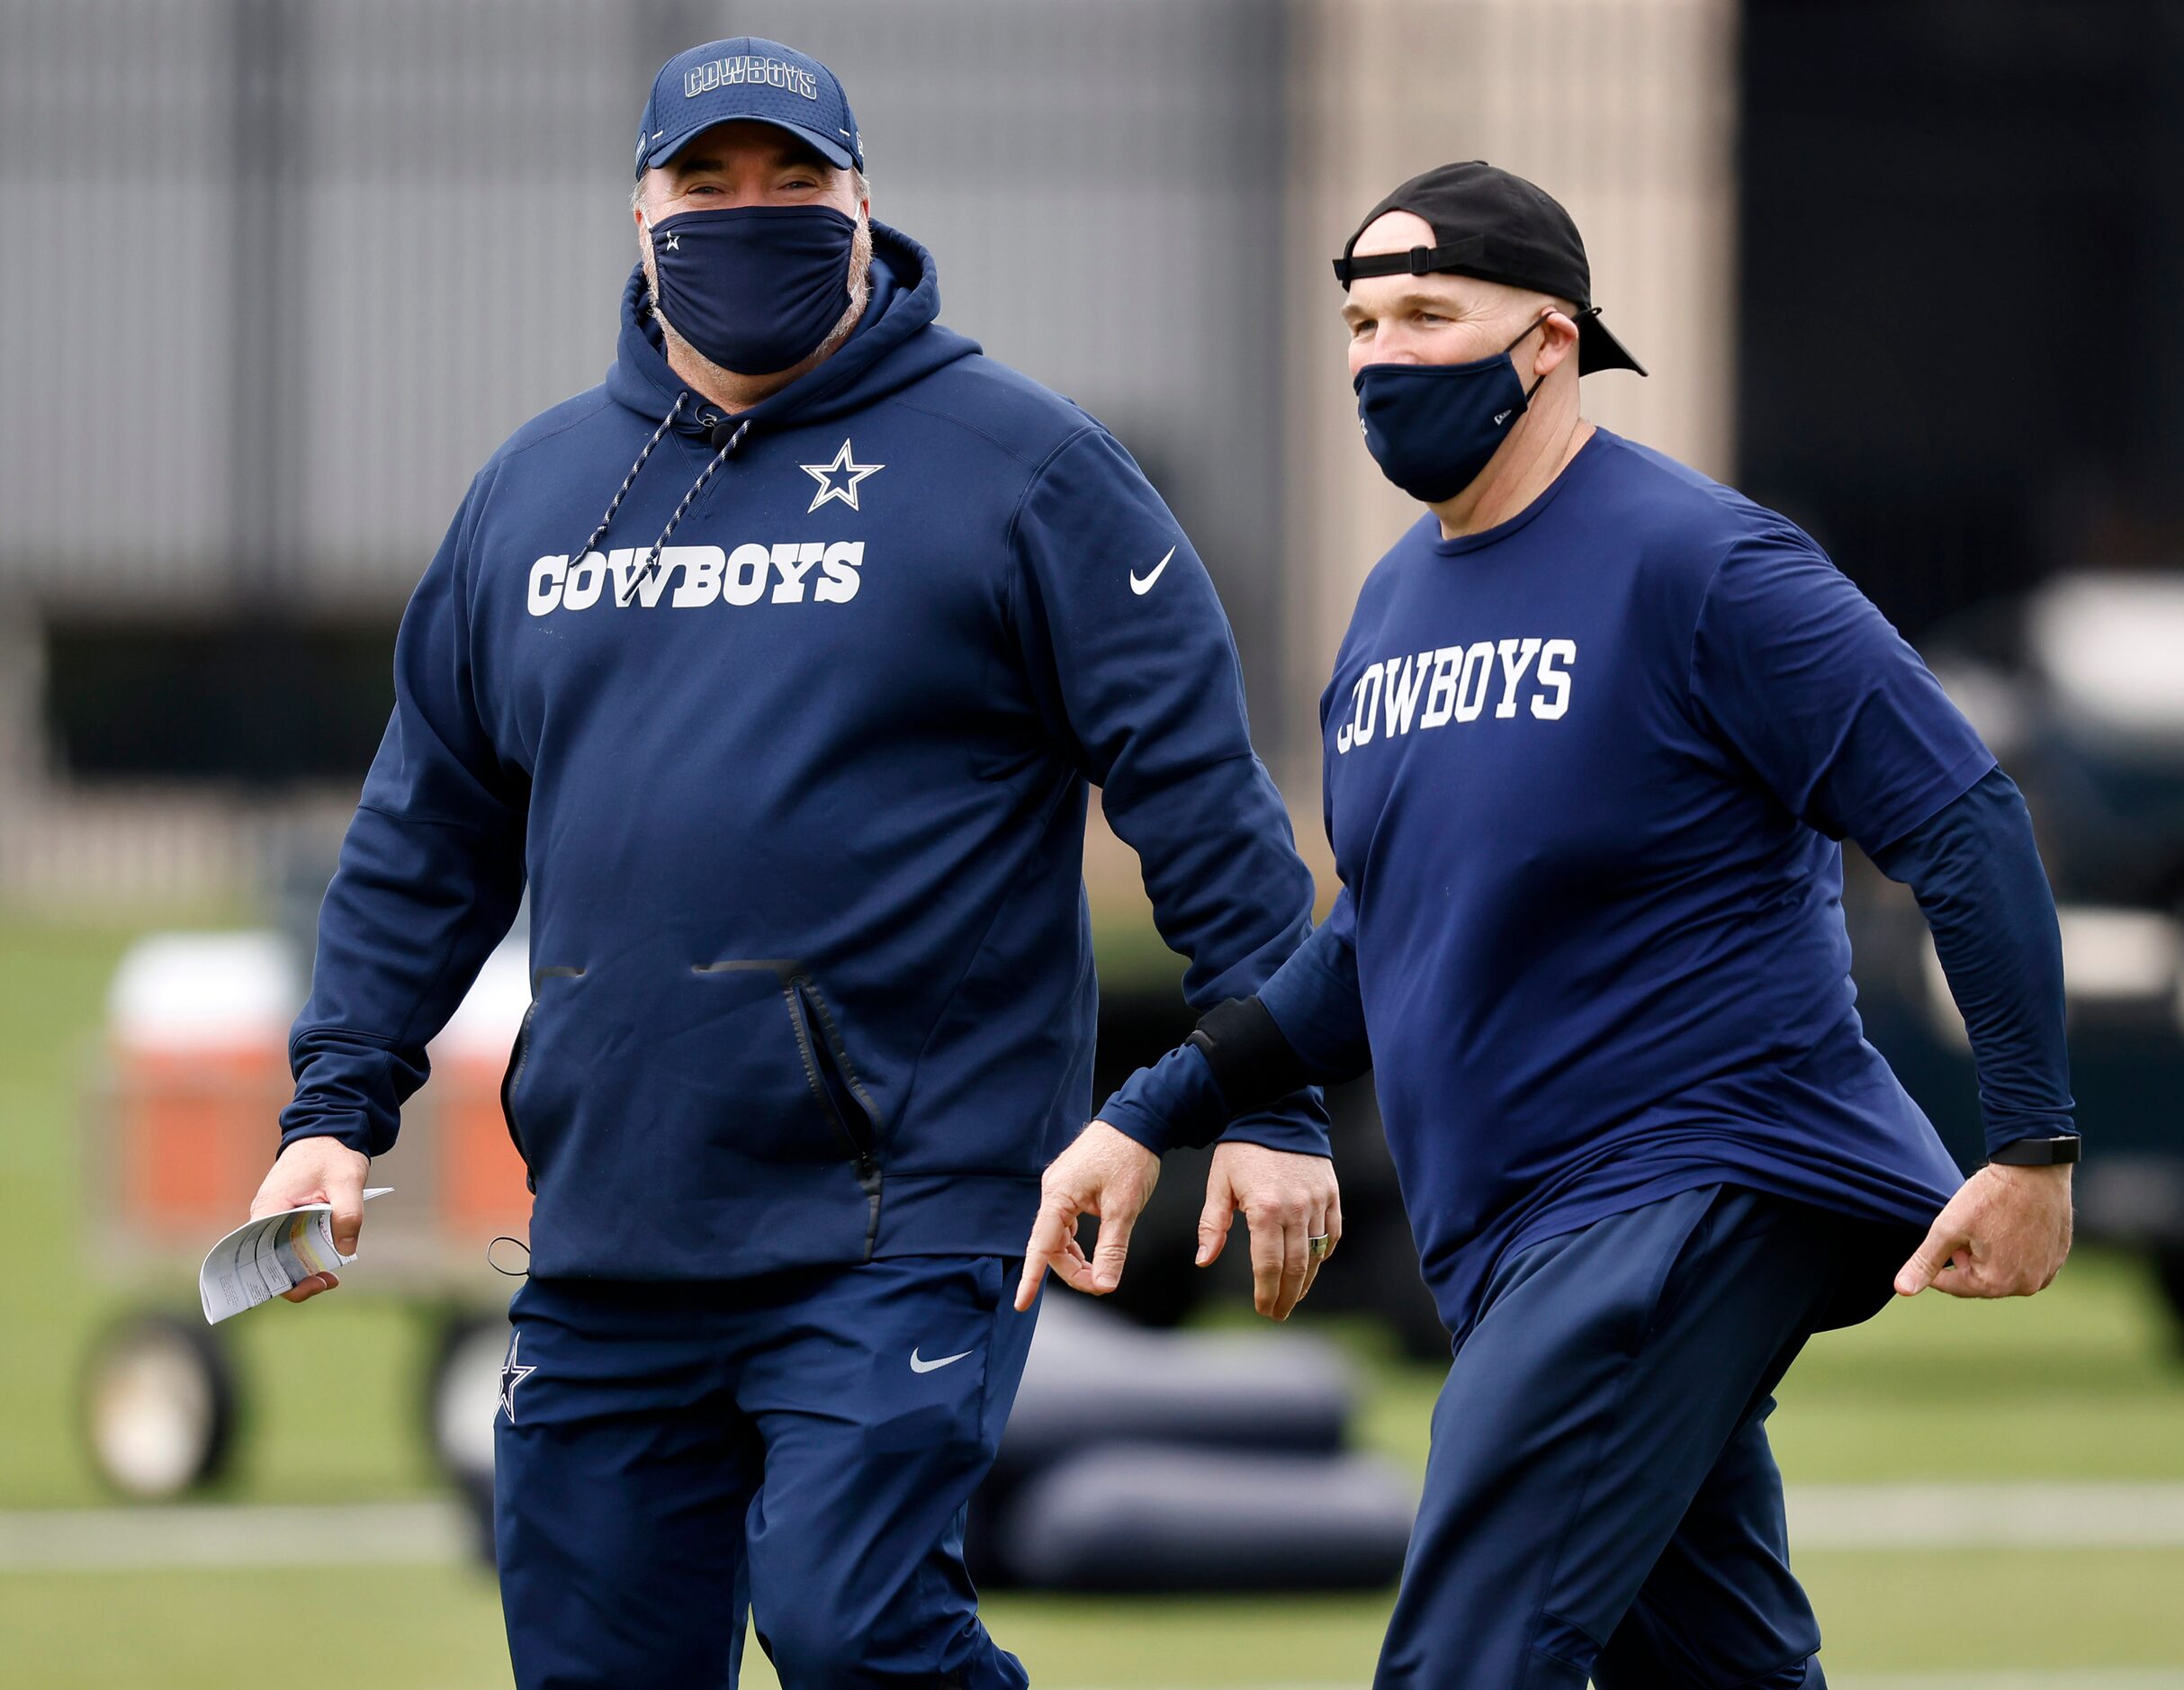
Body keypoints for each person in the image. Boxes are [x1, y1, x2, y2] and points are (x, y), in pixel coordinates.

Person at [247, 36, 1338, 1688]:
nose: (746, 213)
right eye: (706, 184)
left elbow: (1203, 806)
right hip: (615, 1220)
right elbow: (426, 834)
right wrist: (334, 1110)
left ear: (863, 205)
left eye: (791, 182)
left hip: (910, 1205)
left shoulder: (1026, 472)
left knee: (850, 1623)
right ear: (639, 213)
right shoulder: (532, 501)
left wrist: (1271, 1099)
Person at [1020, 161, 2078, 1688]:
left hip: (1697, 1178)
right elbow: (1380, 950)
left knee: (1467, 1657)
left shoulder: (1705, 565)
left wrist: (2032, 1139)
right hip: (1518, 1240)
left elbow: (1960, 815)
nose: (1383, 354)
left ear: (1550, 342)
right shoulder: (1388, 612)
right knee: (1713, 1665)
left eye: (1430, 313)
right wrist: (1152, 1110)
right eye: (1363, 320)